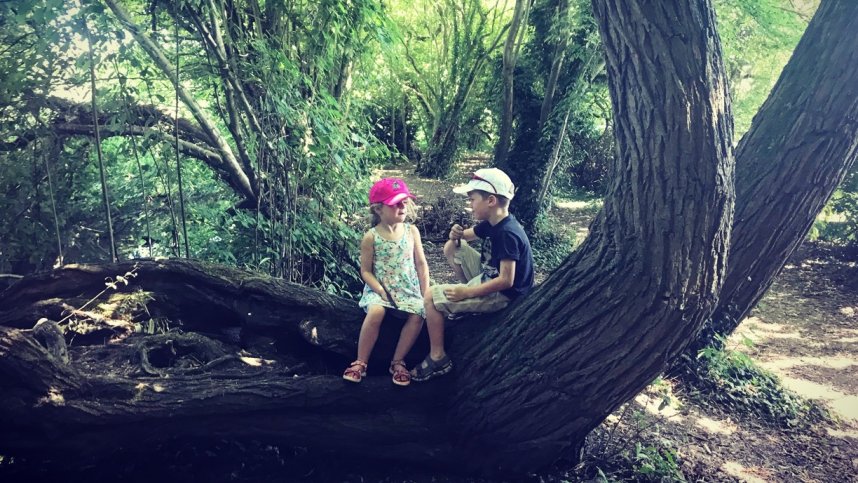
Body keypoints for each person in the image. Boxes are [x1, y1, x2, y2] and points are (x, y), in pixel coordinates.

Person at [412, 168, 534, 382]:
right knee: (452, 248)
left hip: (504, 294)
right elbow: (463, 239)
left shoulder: (507, 233)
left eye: (472, 199)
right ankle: (466, 304)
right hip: (489, 275)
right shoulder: (495, 223)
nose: (470, 205)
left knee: (430, 297)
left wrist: (466, 293)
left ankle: (438, 357)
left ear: (491, 200)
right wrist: (455, 235)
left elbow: (506, 280)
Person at [343, 178, 429, 386]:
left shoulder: (411, 232)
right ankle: (361, 362)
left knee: (418, 314)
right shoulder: (371, 237)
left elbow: (421, 264)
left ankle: (398, 362)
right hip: (379, 290)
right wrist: (380, 290)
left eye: (404, 202)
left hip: (407, 290)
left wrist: (425, 294)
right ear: (378, 209)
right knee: (376, 311)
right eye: (395, 204)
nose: (402, 207)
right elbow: (366, 271)